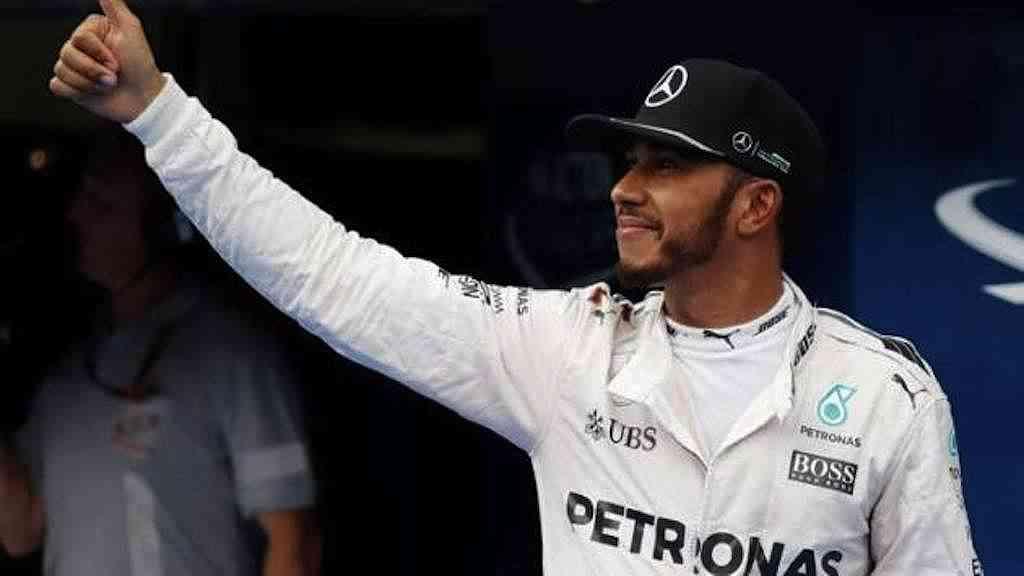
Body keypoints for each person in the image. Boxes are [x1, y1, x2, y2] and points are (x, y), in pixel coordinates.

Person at [45, 1, 982, 574]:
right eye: (628, 161)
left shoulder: (885, 400)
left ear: (755, 205)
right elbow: (330, 273)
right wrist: (158, 115)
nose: (624, 188)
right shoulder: (564, 348)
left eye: (666, 165)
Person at [0, 126, 320, 576]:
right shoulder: (66, 373)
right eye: (81, 199)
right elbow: (20, 532)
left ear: (163, 226)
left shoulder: (230, 352)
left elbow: (293, 544)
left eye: (102, 204)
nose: (77, 216)